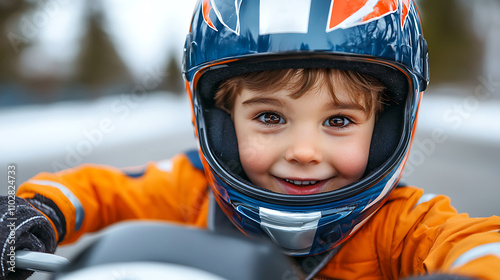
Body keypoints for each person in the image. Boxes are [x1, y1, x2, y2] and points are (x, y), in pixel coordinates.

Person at [1, 0, 500, 279]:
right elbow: (100, 190)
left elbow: (479, 244)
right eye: (269, 116)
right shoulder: (190, 189)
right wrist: (33, 210)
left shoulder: (404, 225)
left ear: (390, 124)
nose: (303, 151)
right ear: (216, 121)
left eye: (339, 121)